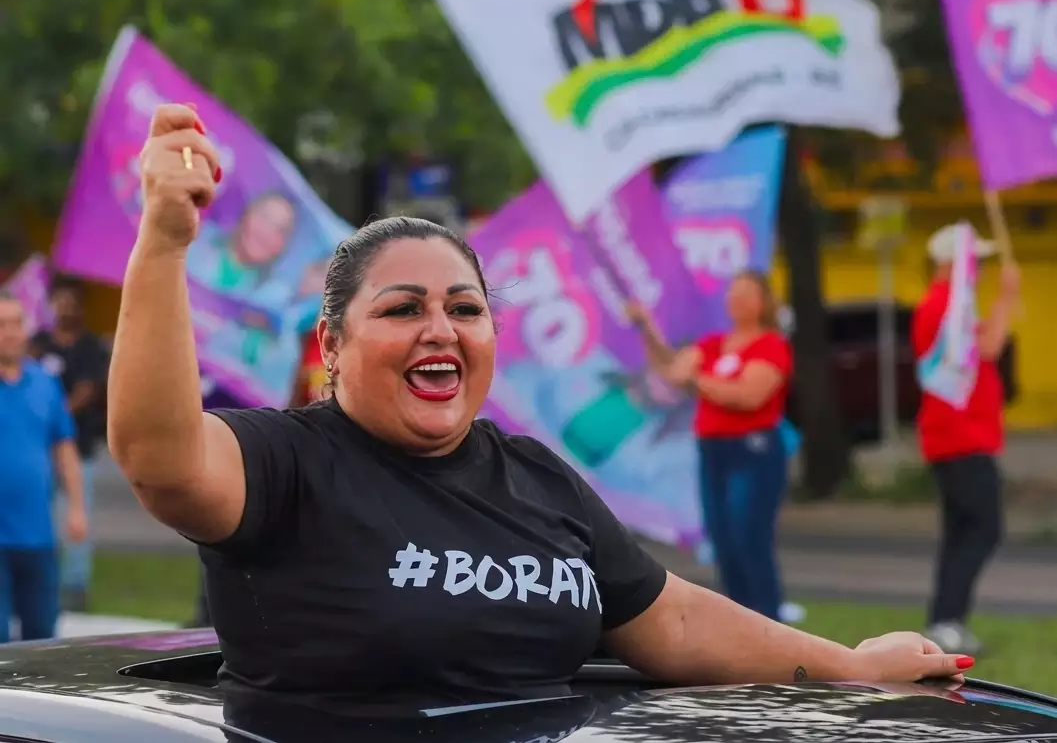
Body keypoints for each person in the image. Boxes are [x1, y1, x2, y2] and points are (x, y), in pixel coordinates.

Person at [108, 104, 972, 716]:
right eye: (402, 308)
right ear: (331, 346)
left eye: (465, 308)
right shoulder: (286, 462)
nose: (439, 328)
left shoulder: (535, 477)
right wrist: (163, 243)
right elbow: (161, 454)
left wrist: (849, 666)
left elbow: (666, 616)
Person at [627, 271, 791, 623]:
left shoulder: (770, 346)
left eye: (747, 294)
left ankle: (770, 619)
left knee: (750, 539)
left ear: (764, 302)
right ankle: (742, 622)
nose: (738, 300)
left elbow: (748, 396)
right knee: (725, 540)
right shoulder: (714, 344)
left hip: (753, 452)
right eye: (734, 293)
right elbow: (673, 372)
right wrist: (646, 328)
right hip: (713, 451)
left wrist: (697, 380)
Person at [913, 224, 1019, 655]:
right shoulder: (944, 305)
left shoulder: (950, 305)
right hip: (960, 436)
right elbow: (988, 348)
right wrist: (1008, 298)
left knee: (963, 529)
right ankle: (946, 619)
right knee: (982, 526)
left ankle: (946, 618)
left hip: (961, 435)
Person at [0, 290, 88, 642]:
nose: (10, 331)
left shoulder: (45, 384)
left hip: (37, 534)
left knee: (42, 639)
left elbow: (64, 449)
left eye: (16, 323)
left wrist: (77, 508)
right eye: (1, 324)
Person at [28, 276, 109, 612]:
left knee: (76, 515)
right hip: (39, 450)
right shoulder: (39, 343)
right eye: (59, 300)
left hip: (78, 447)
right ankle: (36, 579)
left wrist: (54, 414)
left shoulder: (90, 347)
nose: (65, 307)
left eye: (71, 301)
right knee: (37, 515)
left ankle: (75, 588)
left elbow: (88, 390)